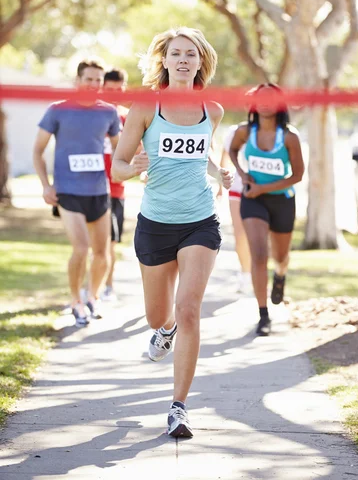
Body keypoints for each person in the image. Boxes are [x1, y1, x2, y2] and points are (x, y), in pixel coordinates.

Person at [112, 27, 232, 438]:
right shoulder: (146, 105)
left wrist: (220, 172)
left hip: (200, 220)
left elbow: (202, 154)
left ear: (201, 62)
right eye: (176, 53)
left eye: (191, 54)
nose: (183, 60)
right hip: (156, 224)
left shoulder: (211, 110)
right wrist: (136, 167)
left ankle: (179, 407)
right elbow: (118, 166)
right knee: (160, 316)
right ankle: (164, 332)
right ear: (164, 60)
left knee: (189, 310)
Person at [33, 60, 121, 327]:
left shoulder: (109, 113)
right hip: (68, 191)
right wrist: (46, 185)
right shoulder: (57, 110)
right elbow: (38, 151)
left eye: (98, 80)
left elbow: (120, 149)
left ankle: (92, 297)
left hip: (100, 191)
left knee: (103, 253)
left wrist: (124, 168)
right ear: (77, 80)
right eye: (89, 79)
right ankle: (76, 301)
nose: (94, 85)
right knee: (81, 249)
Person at [229, 83, 304, 337]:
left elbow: (298, 175)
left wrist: (264, 188)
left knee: (280, 257)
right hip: (253, 201)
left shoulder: (290, 137)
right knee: (259, 255)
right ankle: (263, 315)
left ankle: (280, 276)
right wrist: (242, 173)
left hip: (282, 200)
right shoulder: (244, 131)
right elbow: (232, 150)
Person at [102, 68, 129, 301]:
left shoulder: (129, 117)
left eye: (118, 90)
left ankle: (107, 287)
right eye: (108, 90)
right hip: (88, 187)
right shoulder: (92, 114)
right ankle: (88, 290)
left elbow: (141, 147)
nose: (113, 94)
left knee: (110, 241)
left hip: (116, 189)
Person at [218, 124, 251, 293]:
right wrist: (219, 185)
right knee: (240, 234)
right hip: (238, 189)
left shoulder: (273, 131)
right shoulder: (234, 132)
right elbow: (224, 158)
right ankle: (246, 275)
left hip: (266, 190)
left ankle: (257, 272)